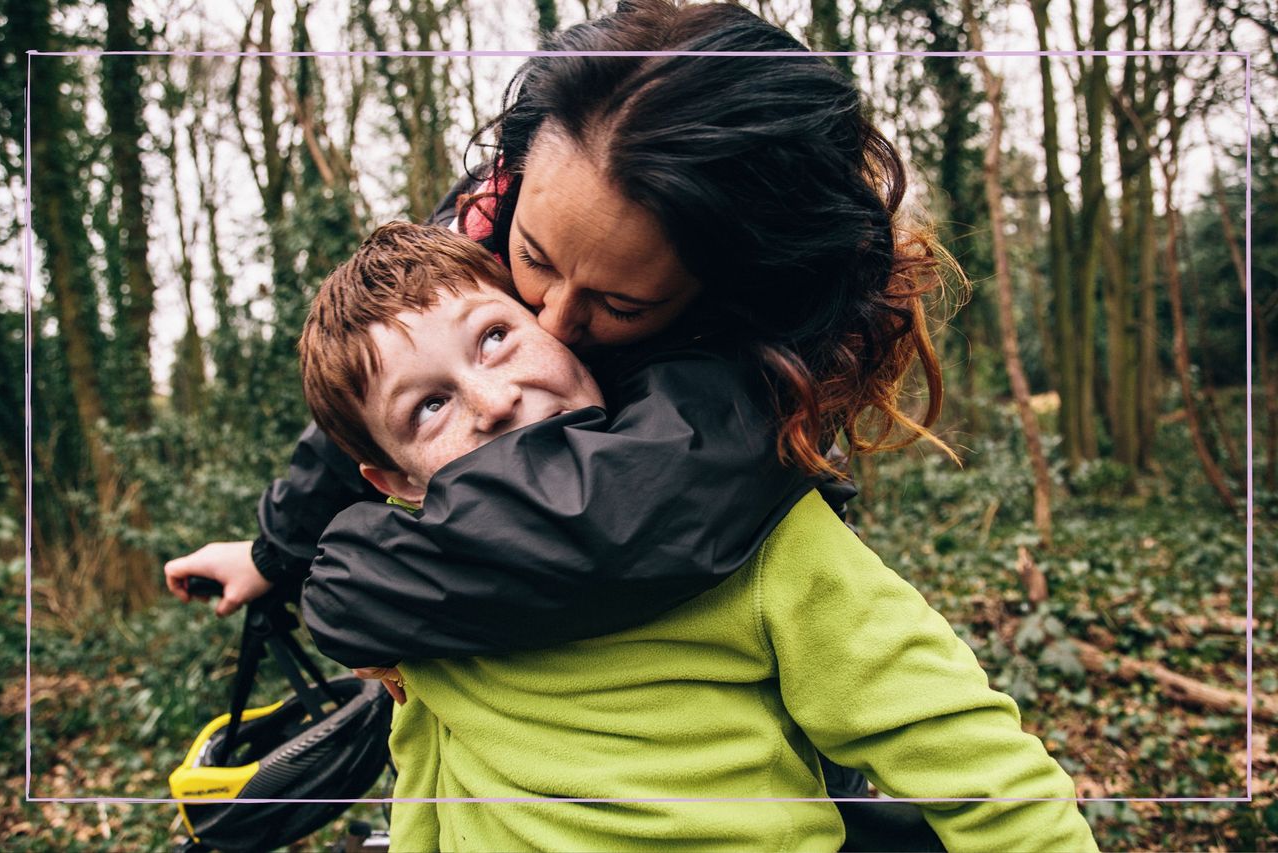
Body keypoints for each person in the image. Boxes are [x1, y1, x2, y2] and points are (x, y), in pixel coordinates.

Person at [165, 1, 959, 846]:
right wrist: (275, 549)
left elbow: (617, 513)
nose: (551, 317)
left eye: (620, 302)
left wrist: (356, 577)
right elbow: (377, 393)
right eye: (533, 260)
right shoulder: (493, 214)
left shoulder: (751, 381)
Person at [295, 221, 1097, 852]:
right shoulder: (423, 608)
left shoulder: (760, 530)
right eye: (427, 406)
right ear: (394, 481)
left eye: (495, 336)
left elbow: (966, 752)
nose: (492, 397)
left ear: (557, 325)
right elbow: (429, 792)